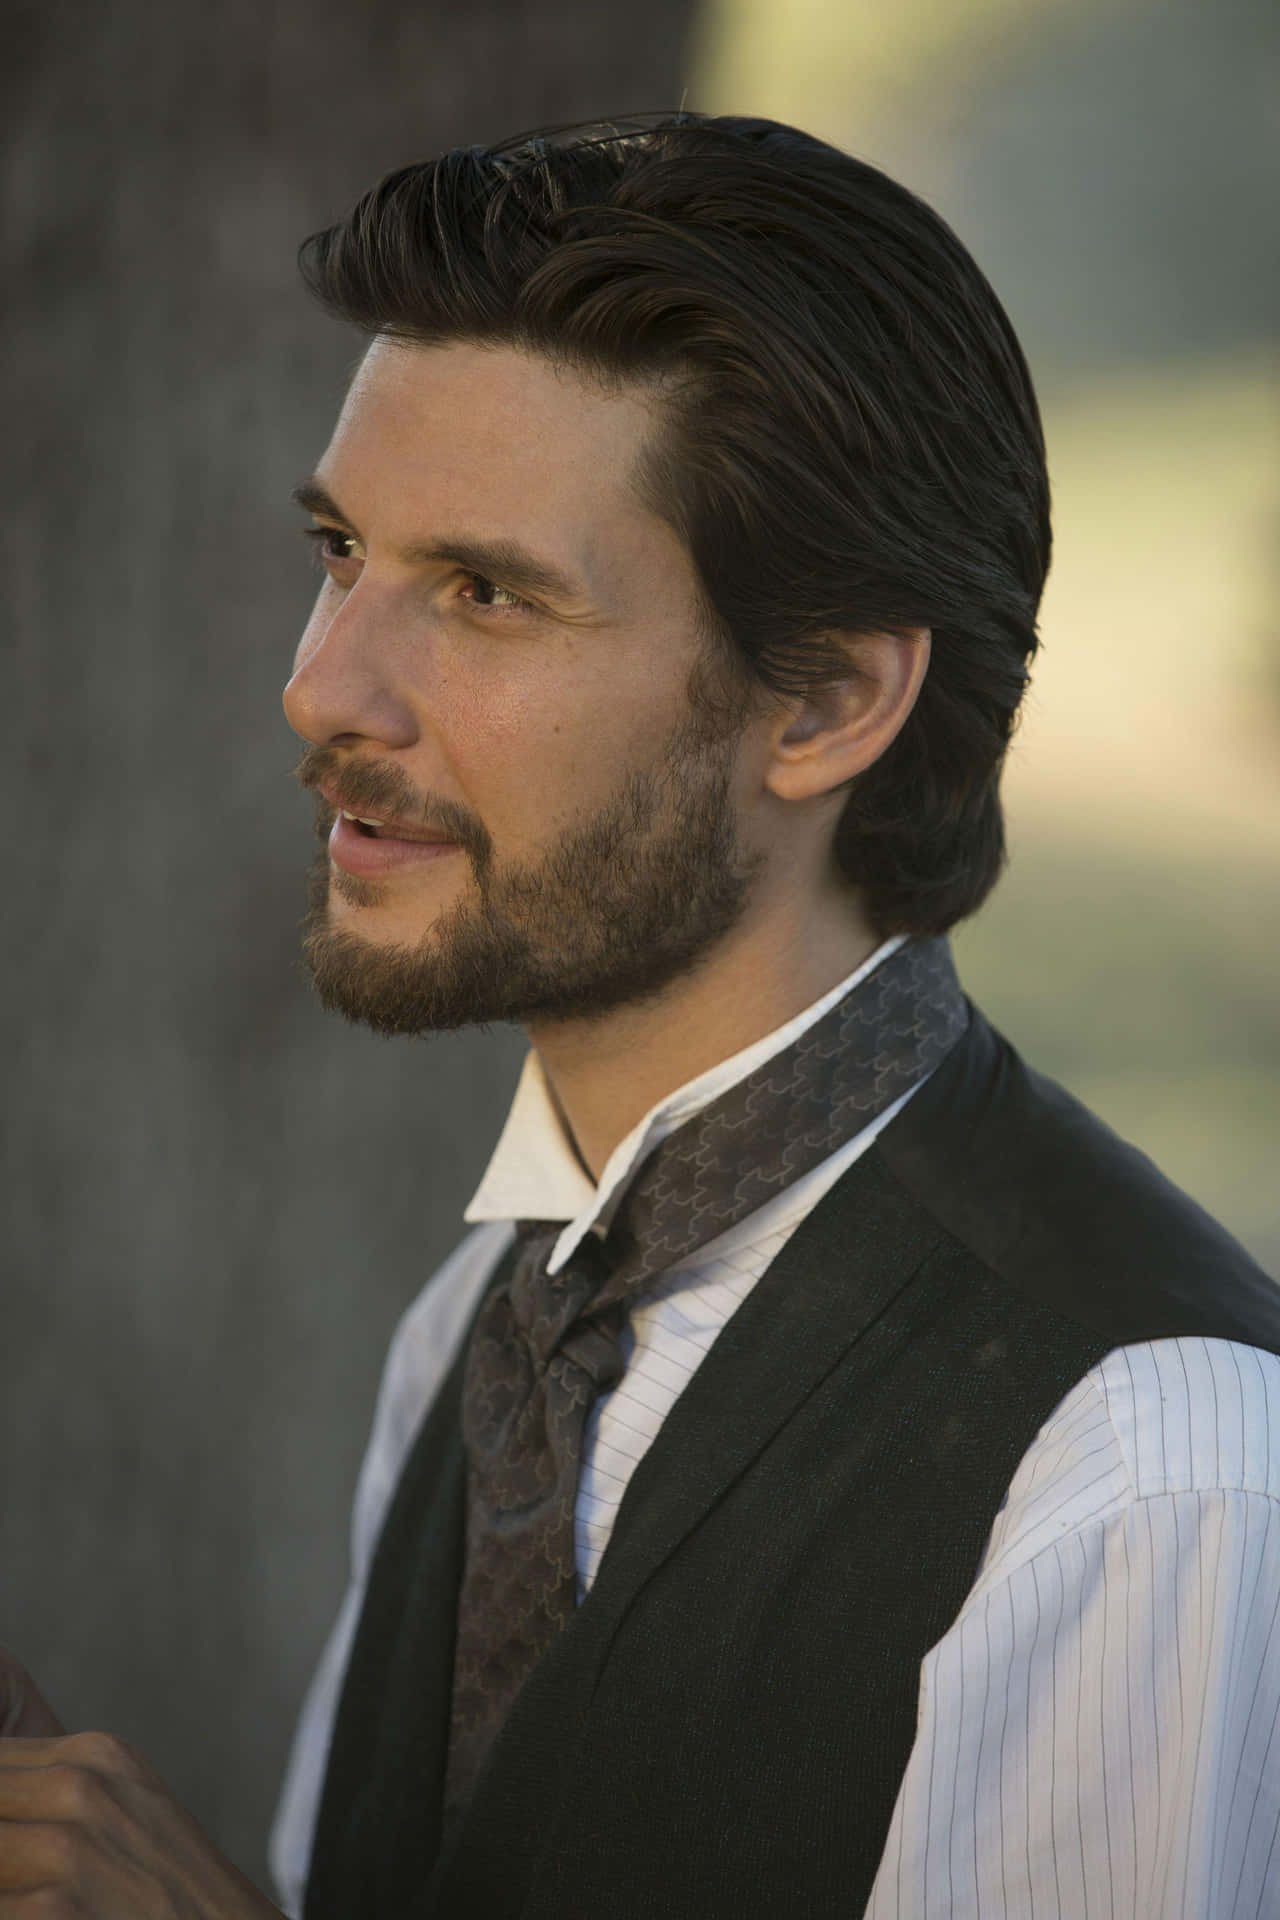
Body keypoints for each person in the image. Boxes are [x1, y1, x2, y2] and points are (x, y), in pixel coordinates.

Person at [2, 111, 1278, 1919]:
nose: (320, 687)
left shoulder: (1148, 1466)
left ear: (826, 702)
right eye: (341, 552)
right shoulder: (481, 1324)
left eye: (482, 592)